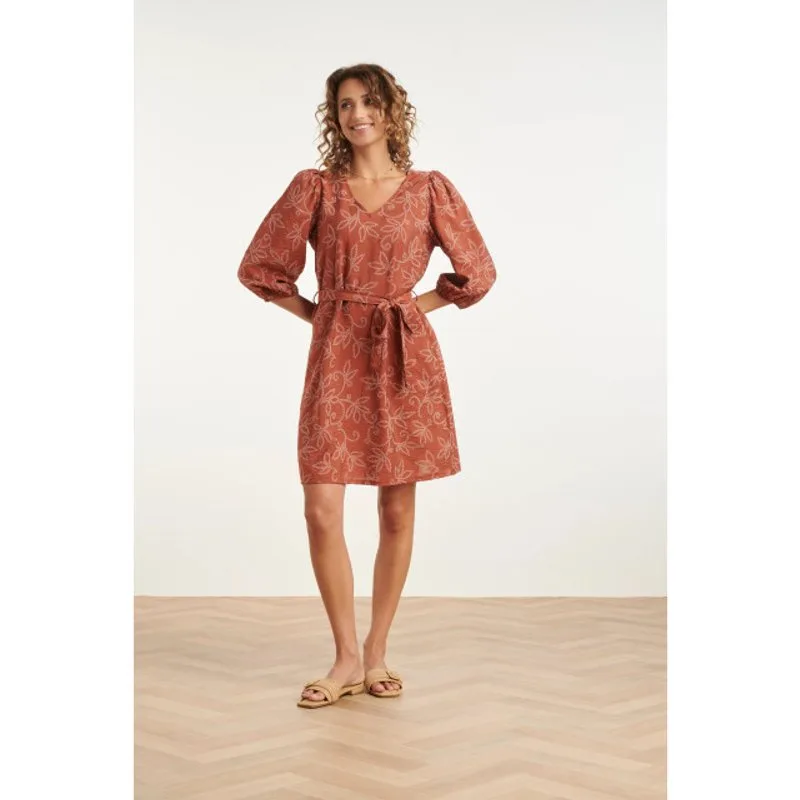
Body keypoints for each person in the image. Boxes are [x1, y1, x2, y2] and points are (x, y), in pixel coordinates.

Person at [237, 63, 497, 709]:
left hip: (404, 356)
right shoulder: (316, 189)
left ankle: (377, 651)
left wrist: (410, 308)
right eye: (345, 104)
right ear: (334, 116)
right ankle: (345, 656)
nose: (357, 114)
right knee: (321, 508)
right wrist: (324, 316)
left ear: (391, 110)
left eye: (368, 102)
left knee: (396, 511)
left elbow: (478, 271)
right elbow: (260, 268)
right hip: (335, 359)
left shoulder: (430, 189)